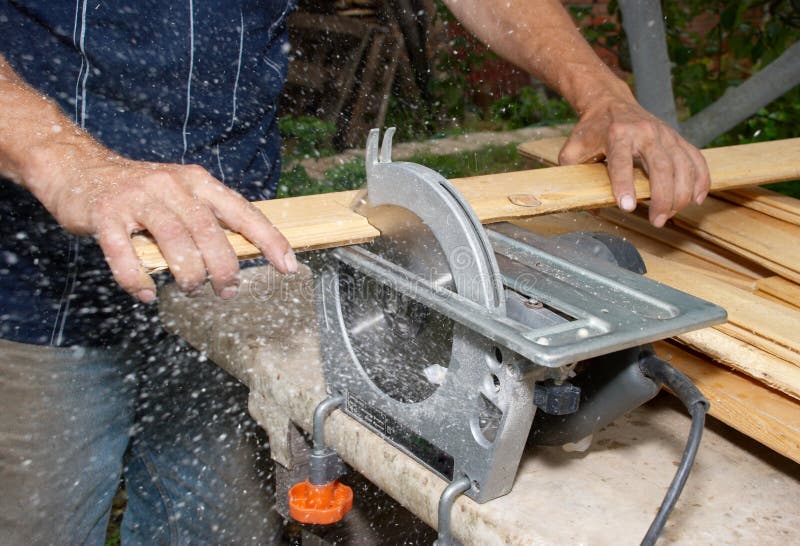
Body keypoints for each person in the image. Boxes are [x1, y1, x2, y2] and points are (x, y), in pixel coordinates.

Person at [0, 1, 709, 544]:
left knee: (218, 526)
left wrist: (602, 91)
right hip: (33, 269)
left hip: (237, 264)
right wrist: (63, 159)